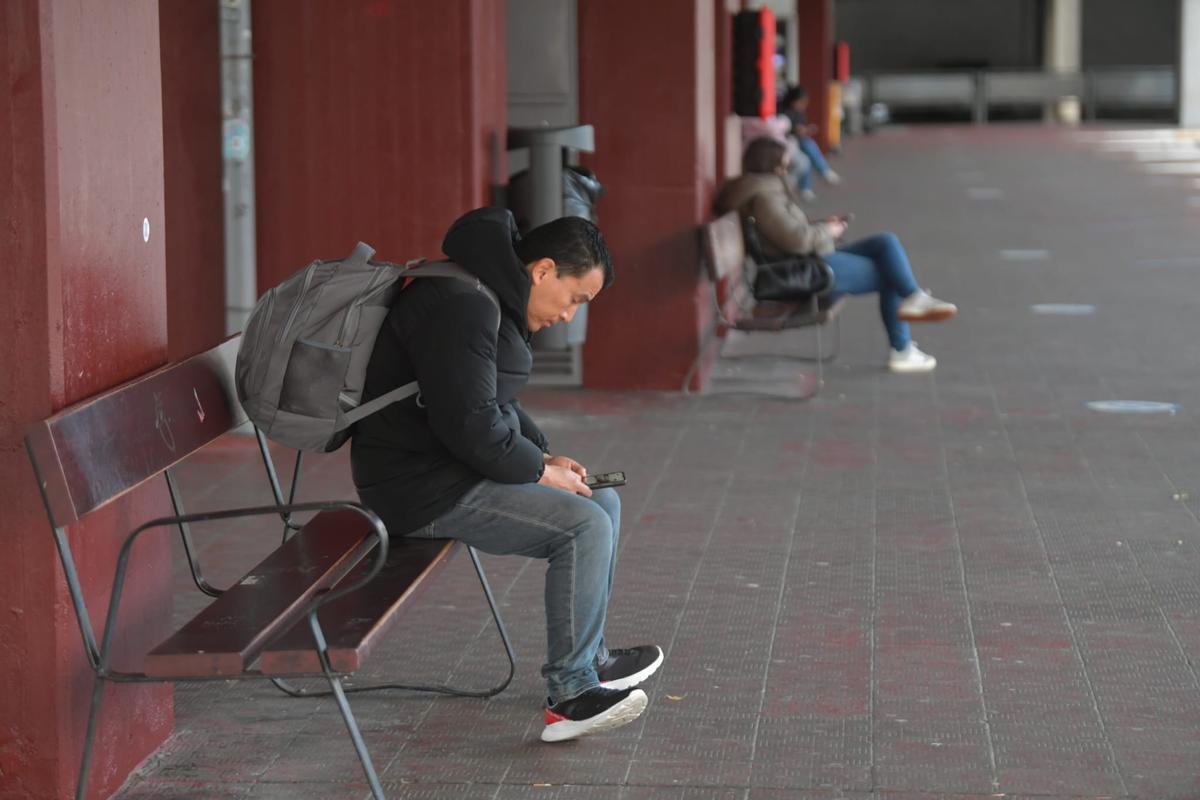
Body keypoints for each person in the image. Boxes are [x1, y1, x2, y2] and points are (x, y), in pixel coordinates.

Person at [351, 207, 663, 741]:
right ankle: (570, 694)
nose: (569, 316)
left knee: (600, 503)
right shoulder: (462, 307)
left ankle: (589, 659)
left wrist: (542, 458)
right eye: (574, 299)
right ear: (542, 270)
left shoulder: (482, 294)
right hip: (414, 486)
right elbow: (471, 426)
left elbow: (487, 403)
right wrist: (538, 473)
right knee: (582, 526)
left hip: (445, 466)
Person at [716, 137, 957, 372]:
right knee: (890, 274)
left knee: (885, 242)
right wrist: (827, 230)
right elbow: (797, 241)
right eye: (786, 164)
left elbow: (790, 234)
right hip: (802, 270)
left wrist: (823, 226)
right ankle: (902, 348)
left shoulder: (763, 191)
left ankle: (913, 297)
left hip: (809, 259)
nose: (788, 169)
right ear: (774, 166)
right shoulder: (765, 197)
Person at [780, 84, 840, 202]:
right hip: (785, 142)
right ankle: (823, 171)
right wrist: (797, 131)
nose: (804, 105)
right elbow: (784, 129)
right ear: (793, 100)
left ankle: (808, 185)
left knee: (807, 146)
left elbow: (799, 128)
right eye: (801, 102)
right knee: (807, 145)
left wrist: (805, 130)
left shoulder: (799, 113)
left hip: (795, 142)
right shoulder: (783, 111)